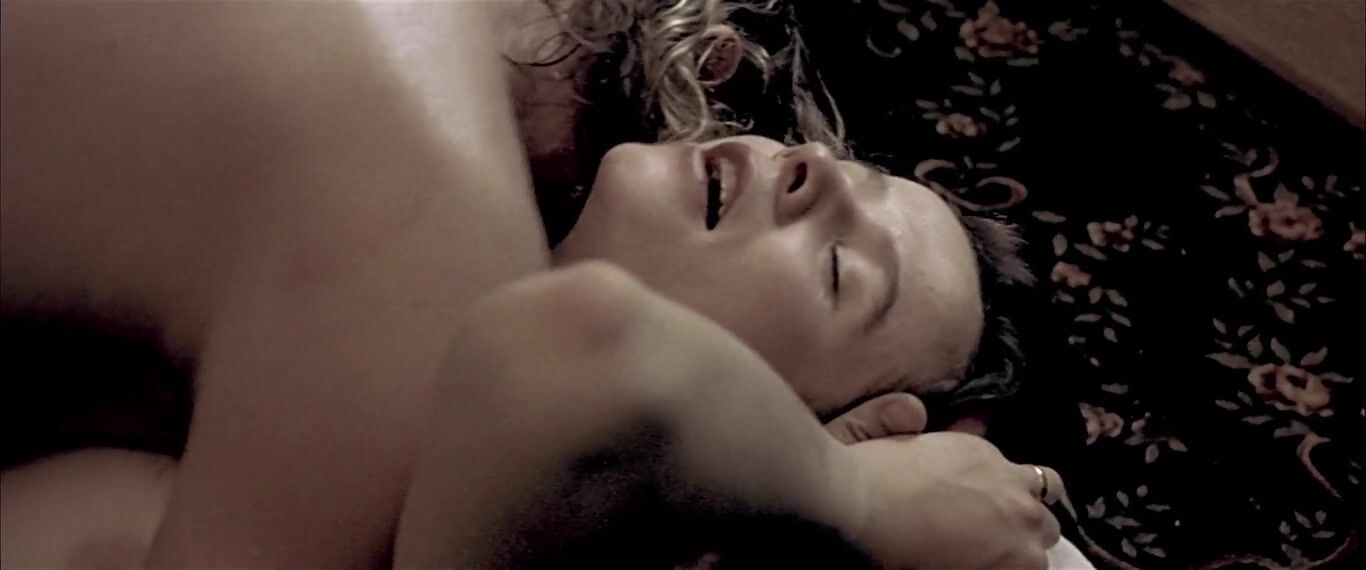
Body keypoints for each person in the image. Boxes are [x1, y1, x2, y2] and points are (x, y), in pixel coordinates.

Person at [0, 0, 1062, 568]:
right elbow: (578, 341)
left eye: (841, 272)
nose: (809, 169)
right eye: (846, 169)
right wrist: (848, 497)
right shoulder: (424, 248)